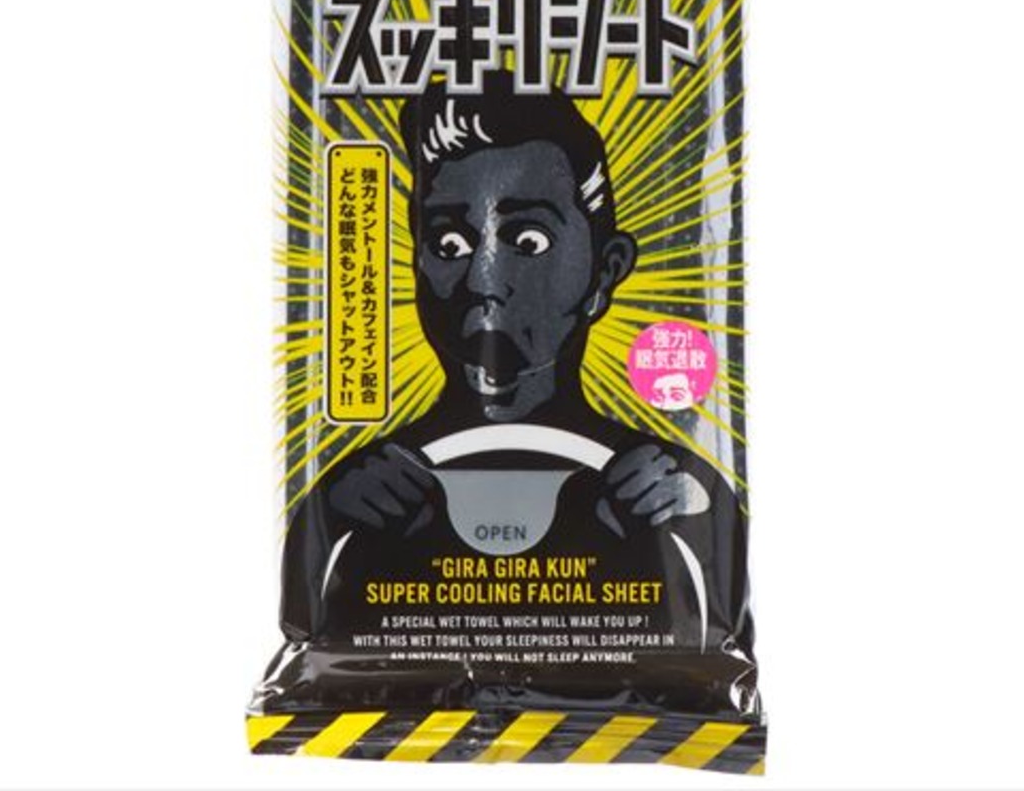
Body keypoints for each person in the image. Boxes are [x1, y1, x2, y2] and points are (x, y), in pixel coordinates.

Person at [273, 72, 750, 685]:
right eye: (448, 243)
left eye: (528, 239)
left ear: (606, 271)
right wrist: (332, 530)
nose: (482, 279)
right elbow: (314, 646)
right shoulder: (354, 504)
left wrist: (694, 517)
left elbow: (710, 641)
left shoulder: (673, 494)